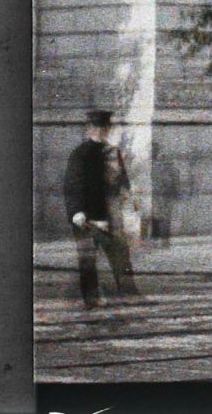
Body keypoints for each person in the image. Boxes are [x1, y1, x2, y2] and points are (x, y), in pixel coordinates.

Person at [64, 108, 140, 308]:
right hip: (87, 217)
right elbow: (72, 185)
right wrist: (76, 211)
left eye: (104, 127)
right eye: (96, 127)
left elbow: (123, 184)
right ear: (89, 129)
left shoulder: (113, 153)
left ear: (108, 129)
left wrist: (130, 206)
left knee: (121, 257)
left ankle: (129, 295)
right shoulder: (80, 154)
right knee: (87, 260)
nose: (100, 131)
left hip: (111, 216)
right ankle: (91, 299)